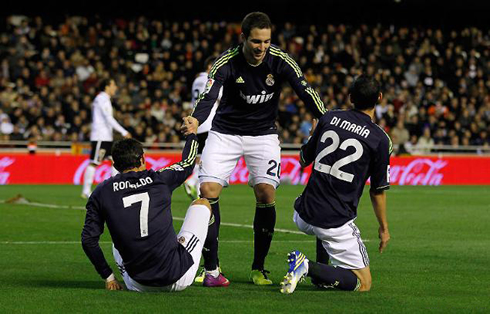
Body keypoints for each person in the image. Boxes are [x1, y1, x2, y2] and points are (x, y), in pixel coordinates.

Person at [182, 12, 326, 287]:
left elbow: (304, 89)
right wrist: (196, 119)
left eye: (267, 41)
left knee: (266, 192)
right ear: (243, 38)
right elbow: (209, 95)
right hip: (225, 133)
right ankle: (211, 268)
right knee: (207, 192)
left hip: (263, 134)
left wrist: (325, 117)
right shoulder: (226, 61)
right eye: (256, 41)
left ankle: (259, 268)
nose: (262, 48)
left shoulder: (280, 60)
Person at [280, 75, 391, 294]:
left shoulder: (329, 118)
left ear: (350, 97)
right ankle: (307, 266)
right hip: (334, 222)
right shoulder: (379, 139)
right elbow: (377, 191)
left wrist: (312, 137)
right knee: (363, 282)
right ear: (379, 98)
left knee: (324, 224)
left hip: (303, 214)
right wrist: (384, 228)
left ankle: (321, 276)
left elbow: (303, 159)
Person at [81, 127, 212, 292]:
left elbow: (88, 240)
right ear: (143, 159)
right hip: (178, 276)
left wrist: (108, 277)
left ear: (115, 164)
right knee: (203, 204)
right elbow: (187, 163)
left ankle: (120, 276)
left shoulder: (101, 192)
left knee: (117, 244)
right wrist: (192, 134)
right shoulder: (159, 179)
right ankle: (212, 270)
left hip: (137, 284)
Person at [81, 78, 131, 199]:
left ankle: (116, 188)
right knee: (94, 162)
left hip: (106, 137)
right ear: (107, 86)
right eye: (113, 85)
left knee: (114, 161)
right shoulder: (101, 99)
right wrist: (123, 131)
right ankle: (86, 191)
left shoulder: (105, 99)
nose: (116, 88)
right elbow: (108, 118)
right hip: (100, 137)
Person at [183, 56, 221, 201]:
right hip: (210, 122)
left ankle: (197, 186)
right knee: (210, 157)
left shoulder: (196, 80)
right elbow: (221, 97)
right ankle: (192, 181)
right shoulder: (211, 80)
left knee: (200, 158)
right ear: (210, 66)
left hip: (197, 123)